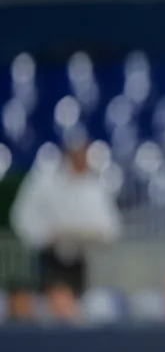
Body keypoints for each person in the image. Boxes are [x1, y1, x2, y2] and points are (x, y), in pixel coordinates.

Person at [10, 134, 122, 321]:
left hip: (82, 262)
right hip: (48, 260)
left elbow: (111, 229)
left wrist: (90, 235)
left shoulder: (95, 188)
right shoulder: (44, 182)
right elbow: (21, 218)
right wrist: (47, 235)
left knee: (80, 313)